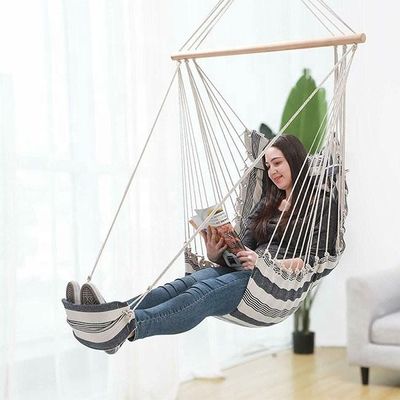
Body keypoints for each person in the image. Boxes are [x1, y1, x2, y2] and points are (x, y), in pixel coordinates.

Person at [65, 134, 337, 353]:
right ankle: (108, 314)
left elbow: (313, 261)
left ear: (294, 160)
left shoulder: (321, 203)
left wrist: (266, 264)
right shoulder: (267, 202)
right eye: (267, 166)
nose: (272, 171)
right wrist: (216, 252)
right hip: (246, 269)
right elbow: (244, 246)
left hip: (271, 282)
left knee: (200, 293)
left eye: (277, 163)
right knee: (182, 285)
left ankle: (127, 326)